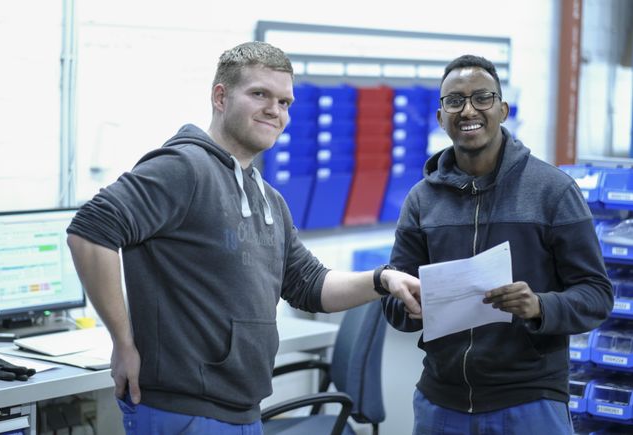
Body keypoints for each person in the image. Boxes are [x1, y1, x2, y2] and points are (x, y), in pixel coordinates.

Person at [66, 41, 421, 435]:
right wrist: (123, 342)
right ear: (221, 97)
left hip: (243, 411)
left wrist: (383, 279)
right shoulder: (184, 168)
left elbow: (310, 284)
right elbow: (91, 230)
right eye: (259, 94)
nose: (275, 110)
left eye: (284, 102)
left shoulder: (268, 198)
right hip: (185, 410)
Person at [382, 54, 614, 435]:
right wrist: (412, 304)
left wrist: (539, 306)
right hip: (441, 403)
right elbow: (393, 300)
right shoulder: (421, 200)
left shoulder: (553, 191)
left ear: (502, 110)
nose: (468, 110)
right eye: (454, 101)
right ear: (441, 117)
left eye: (482, 98)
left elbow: (597, 295)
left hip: (530, 402)